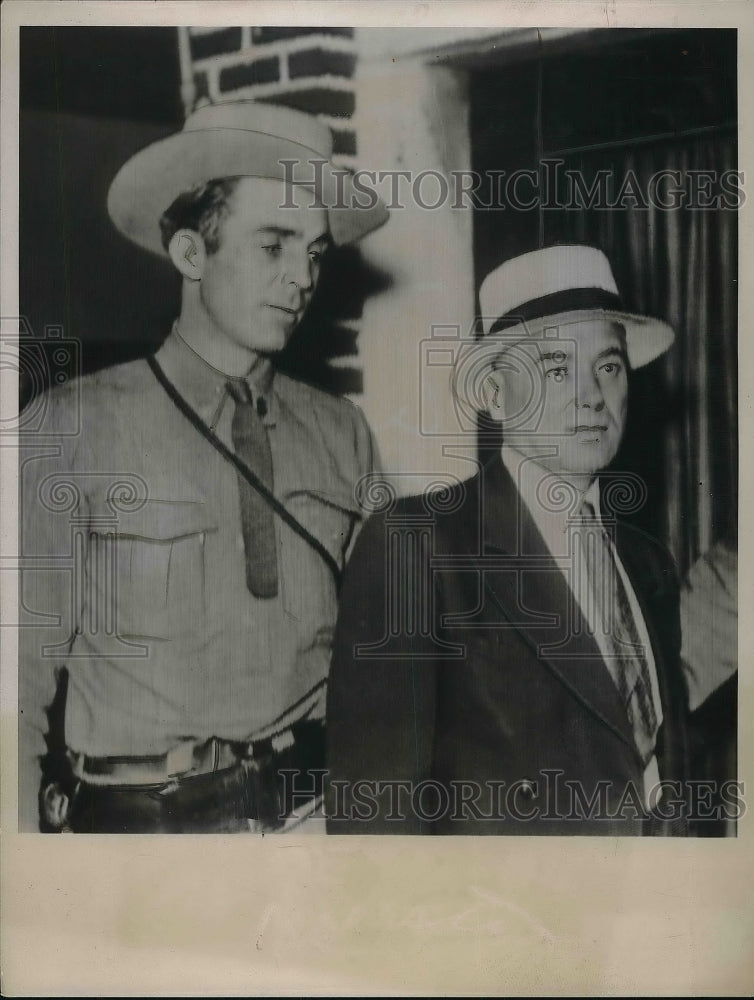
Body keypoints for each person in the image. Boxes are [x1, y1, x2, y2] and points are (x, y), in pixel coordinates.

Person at [19, 100, 388, 833]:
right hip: (146, 844)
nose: (301, 277)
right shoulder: (71, 428)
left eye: (314, 252)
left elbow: (384, 657)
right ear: (192, 254)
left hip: (313, 821)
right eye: (273, 245)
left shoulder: (342, 432)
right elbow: (11, 689)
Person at [326, 244, 693, 835]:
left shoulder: (648, 564)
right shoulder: (417, 548)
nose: (592, 396)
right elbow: (377, 828)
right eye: (555, 369)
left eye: (609, 366)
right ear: (495, 396)